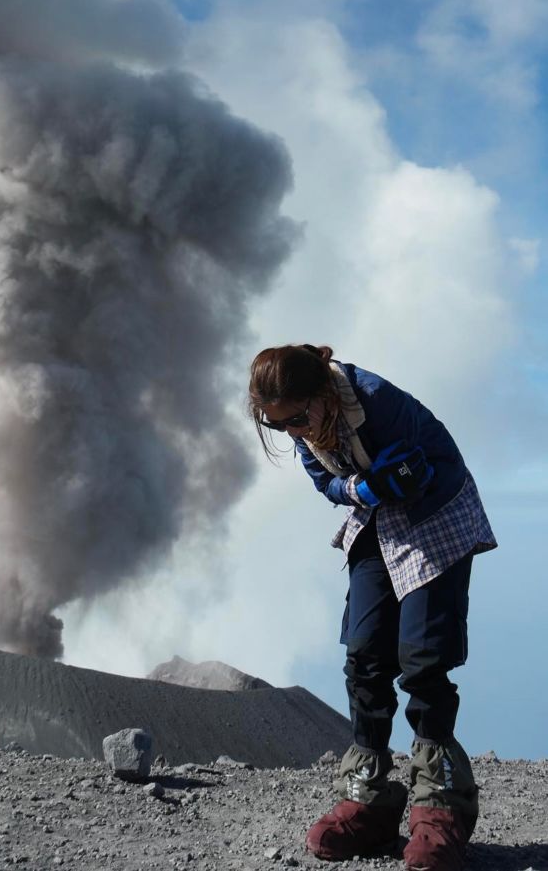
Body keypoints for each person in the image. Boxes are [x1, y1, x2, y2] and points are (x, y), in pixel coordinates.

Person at [248, 344, 497, 871]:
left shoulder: (374, 399)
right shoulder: (304, 427)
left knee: (424, 661)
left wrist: (368, 484)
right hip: (378, 517)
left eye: (295, 418)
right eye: (277, 426)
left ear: (321, 394)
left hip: (436, 517)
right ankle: (369, 800)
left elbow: (416, 472)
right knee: (364, 656)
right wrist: (361, 484)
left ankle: (441, 808)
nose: (292, 432)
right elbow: (328, 484)